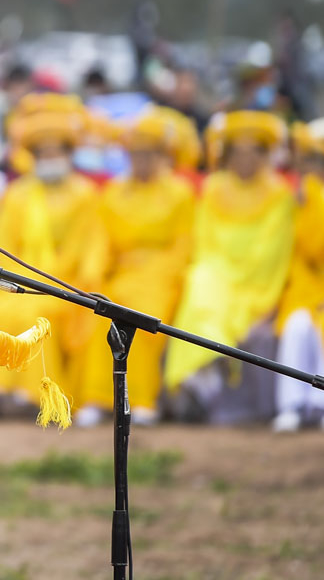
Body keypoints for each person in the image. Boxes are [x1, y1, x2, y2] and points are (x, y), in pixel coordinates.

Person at [0, 94, 107, 418]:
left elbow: (93, 243)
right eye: (43, 153)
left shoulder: (85, 193)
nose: (50, 158)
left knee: (36, 312)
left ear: (68, 154)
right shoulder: (18, 193)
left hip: (68, 281)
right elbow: (3, 245)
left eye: (56, 151)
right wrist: (6, 281)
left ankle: (37, 394)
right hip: (21, 279)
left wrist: (88, 278)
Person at [165, 111, 294, 423]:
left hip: (257, 280)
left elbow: (273, 249)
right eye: (238, 152)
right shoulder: (213, 187)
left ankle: (204, 377)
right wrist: (221, 270)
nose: (245, 160)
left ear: (264, 156)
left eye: (252, 153)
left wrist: (241, 274)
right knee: (200, 280)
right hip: (218, 270)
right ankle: (202, 374)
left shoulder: (279, 193)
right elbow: (205, 240)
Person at [73, 109, 197, 427]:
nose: (142, 160)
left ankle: (142, 400)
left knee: (141, 317)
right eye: (136, 153)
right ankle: (96, 398)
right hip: (122, 274)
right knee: (97, 310)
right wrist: (93, 274)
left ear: (163, 156)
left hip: (161, 278)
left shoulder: (180, 193)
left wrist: (161, 271)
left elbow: (184, 246)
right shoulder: (114, 192)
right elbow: (99, 242)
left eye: (150, 153)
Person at [271, 119, 324, 431]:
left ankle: (320, 405)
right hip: (303, 289)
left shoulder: (311, 196)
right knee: (296, 325)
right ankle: (291, 406)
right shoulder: (295, 198)